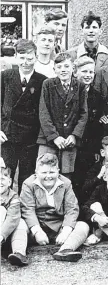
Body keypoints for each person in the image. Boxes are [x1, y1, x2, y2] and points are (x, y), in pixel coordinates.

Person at [20, 153, 90, 262]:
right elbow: (27, 210)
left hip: (58, 226)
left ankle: (66, 249)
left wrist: (66, 231)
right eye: (44, 172)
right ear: (36, 172)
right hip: (36, 225)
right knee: (20, 225)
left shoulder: (66, 183)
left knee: (83, 226)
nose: (48, 176)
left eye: (52, 172)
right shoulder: (28, 184)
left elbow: (72, 209)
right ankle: (20, 253)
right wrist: (37, 231)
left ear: (58, 171)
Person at [1, 40, 47, 191]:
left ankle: (25, 210)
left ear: (36, 57)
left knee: (27, 177)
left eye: (30, 58)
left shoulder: (42, 81)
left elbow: (43, 111)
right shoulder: (5, 77)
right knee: (5, 173)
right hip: (8, 135)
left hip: (30, 137)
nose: (26, 62)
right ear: (15, 57)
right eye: (22, 58)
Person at [37, 52, 88, 178]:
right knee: (44, 172)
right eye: (59, 67)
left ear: (73, 68)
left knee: (66, 175)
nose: (63, 70)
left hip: (69, 140)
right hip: (48, 139)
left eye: (66, 66)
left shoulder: (80, 86)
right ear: (54, 69)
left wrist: (75, 135)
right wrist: (54, 136)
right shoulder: (48, 84)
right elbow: (44, 112)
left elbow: (83, 113)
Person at [73, 56, 104, 178]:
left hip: (89, 146)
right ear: (75, 72)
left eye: (91, 72)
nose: (88, 75)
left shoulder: (97, 96)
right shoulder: (70, 92)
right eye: (84, 71)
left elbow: (98, 126)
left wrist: (96, 149)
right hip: (73, 143)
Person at [0, 159, 29, 266]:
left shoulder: (13, 196)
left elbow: (13, 217)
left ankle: (19, 253)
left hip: (6, 236)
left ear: (10, 182)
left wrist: (2, 235)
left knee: (20, 222)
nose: (0, 181)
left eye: (3, 178)